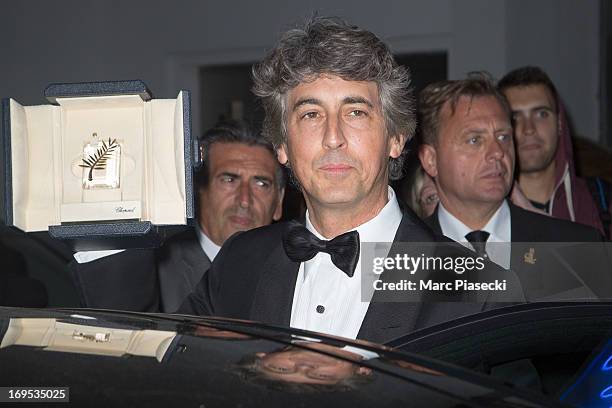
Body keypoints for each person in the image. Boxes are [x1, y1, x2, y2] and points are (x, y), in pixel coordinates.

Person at [179, 17, 523, 344]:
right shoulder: (241, 260)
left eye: (356, 113)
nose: (333, 137)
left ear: (396, 138)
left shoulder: (477, 286)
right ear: (282, 147)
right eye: (311, 114)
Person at [418, 74, 608, 300]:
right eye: (475, 140)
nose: (498, 152)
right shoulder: (399, 258)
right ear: (431, 160)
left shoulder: (575, 249)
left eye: (504, 136)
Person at [72, 121, 285, 312]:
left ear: (279, 203)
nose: (244, 200)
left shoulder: (295, 273)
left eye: (261, 184)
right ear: (196, 192)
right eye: (229, 180)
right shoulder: (151, 270)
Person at [498, 66, 610, 239]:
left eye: (541, 114)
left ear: (559, 124)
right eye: (514, 118)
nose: (529, 129)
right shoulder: (485, 211)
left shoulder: (603, 201)